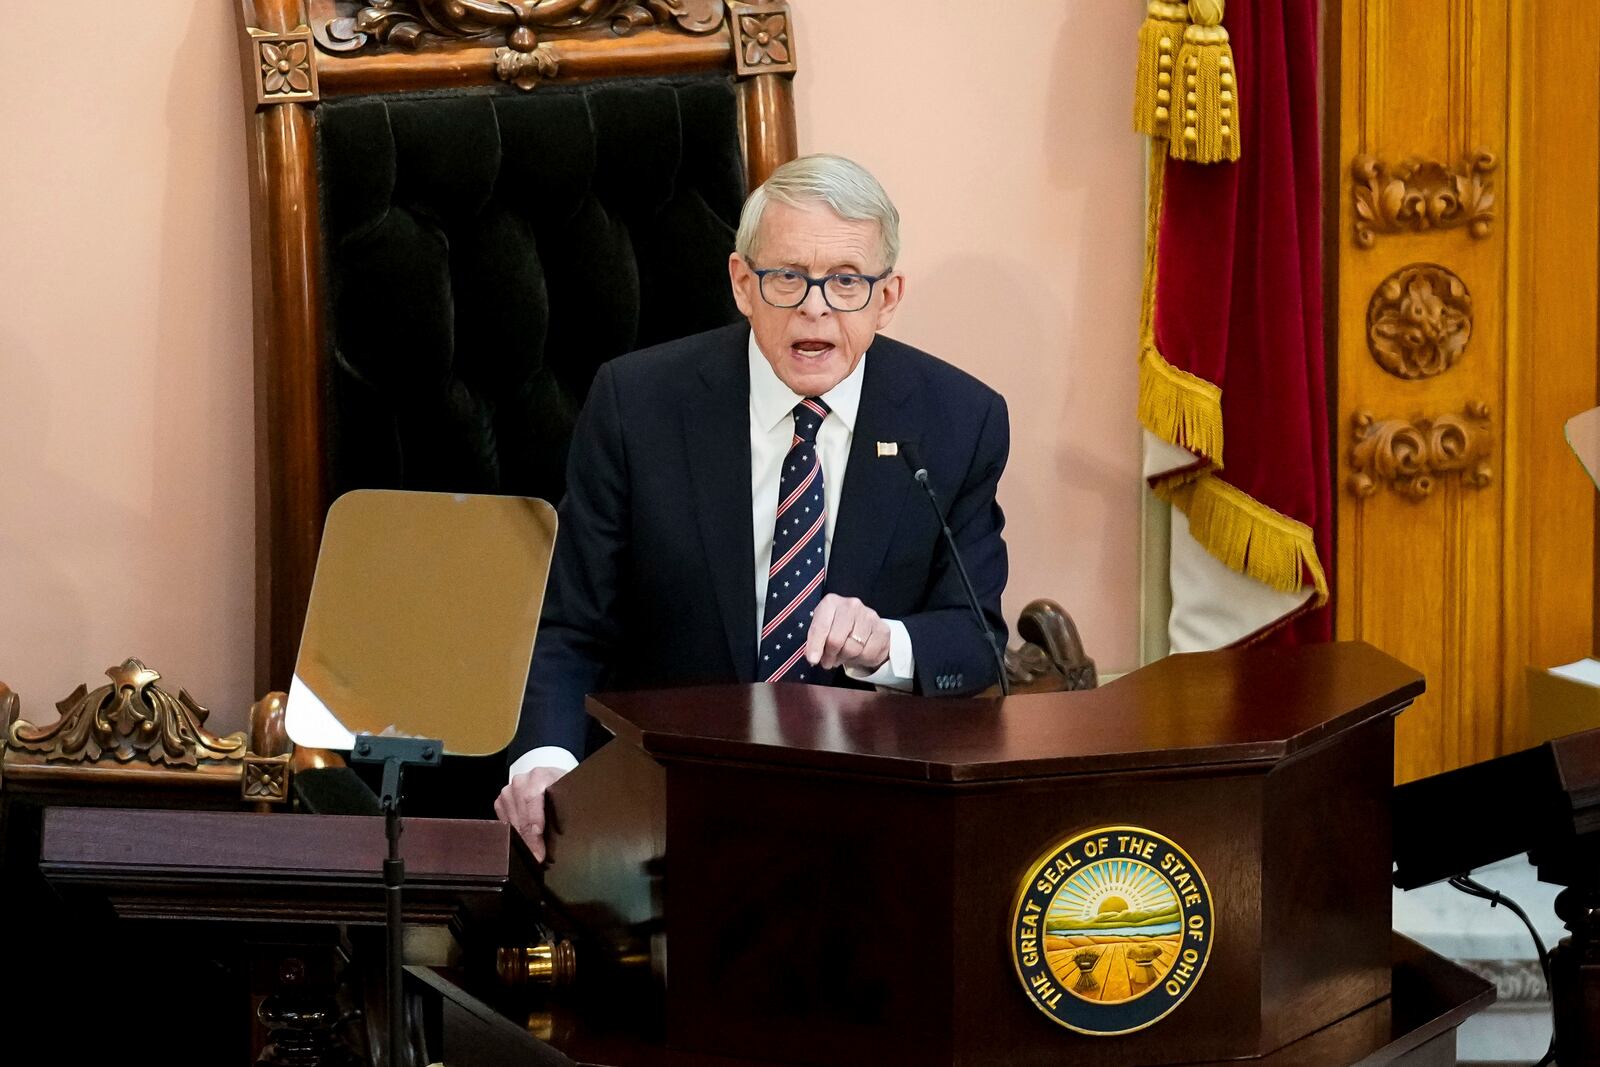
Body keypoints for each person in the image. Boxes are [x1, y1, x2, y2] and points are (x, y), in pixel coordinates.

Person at [495, 154, 1009, 858]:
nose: (816, 306)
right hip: (666, 808)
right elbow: (571, 628)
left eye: (847, 282)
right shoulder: (638, 405)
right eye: (788, 276)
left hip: (870, 814)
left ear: (888, 297)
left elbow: (976, 637)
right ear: (743, 283)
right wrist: (542, 761)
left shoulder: (957, 421)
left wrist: (886, 642)